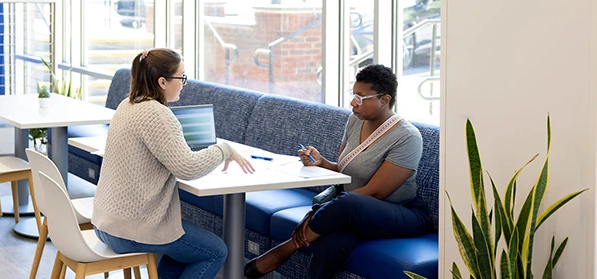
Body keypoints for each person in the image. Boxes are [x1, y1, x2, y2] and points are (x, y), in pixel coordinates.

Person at [244, 64, 428, 279]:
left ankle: (287, 248)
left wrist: (322, 212)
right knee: (333, 243)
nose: (353, 103)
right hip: (350, 210)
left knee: (348, 204)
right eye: (353, 95)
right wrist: (322, 162)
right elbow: (345, 170)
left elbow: (377, 193)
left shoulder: (407, 137)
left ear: (384, 100)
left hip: (399, 211)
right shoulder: (355, 121)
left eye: (360, 97)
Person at [92, 48, 255, 279]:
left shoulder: (127, 104)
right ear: (162, 82)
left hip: (106, 223)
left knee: (178, 245)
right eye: (182, 78)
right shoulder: (157, 114)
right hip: (129, 231)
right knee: (215, 251)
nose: (183, 84)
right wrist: (223, 149)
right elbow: (188, 168)